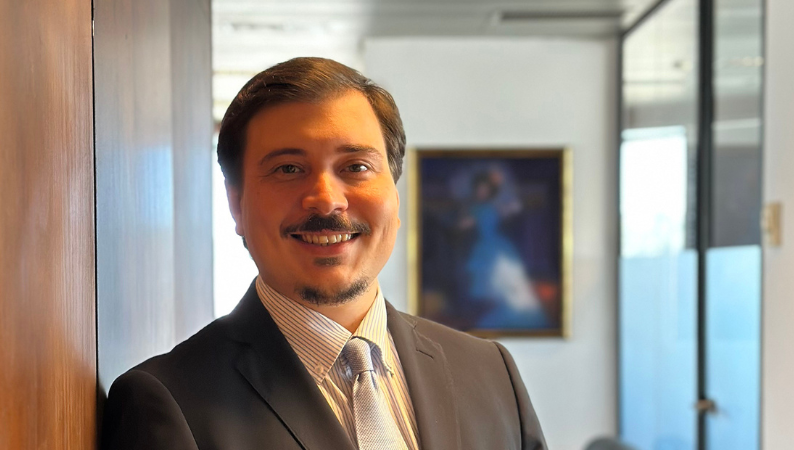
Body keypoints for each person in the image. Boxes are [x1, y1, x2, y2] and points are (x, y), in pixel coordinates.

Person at [101, 57, 547, 450]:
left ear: (394, 195)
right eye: (288, 168)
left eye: (356, 166)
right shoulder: (169, 400)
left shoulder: (492, 374)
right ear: (236, 204)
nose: (327, 200)